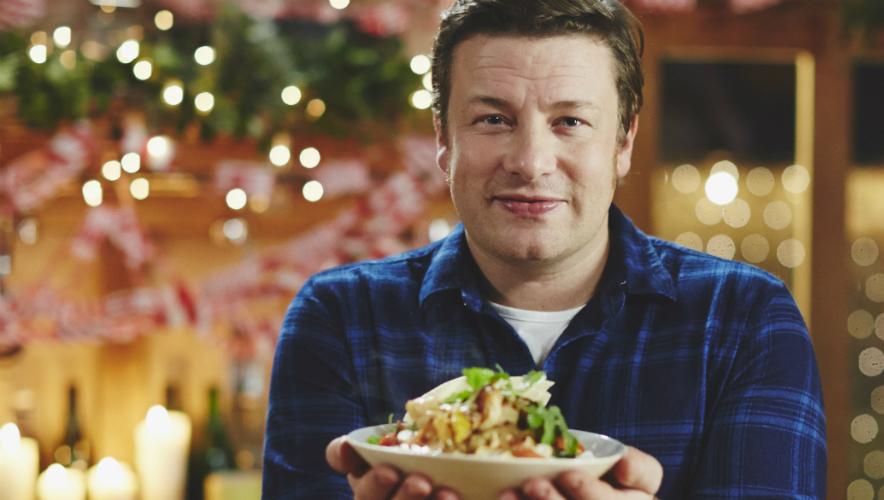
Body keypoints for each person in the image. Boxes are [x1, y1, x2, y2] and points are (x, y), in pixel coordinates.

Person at [262, 0, 826, 498]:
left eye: (570, 121)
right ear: (443, 138)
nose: (530, 162)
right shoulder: (339, 317)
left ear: (623, 142)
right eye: (493, 119)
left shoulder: (746, 322)